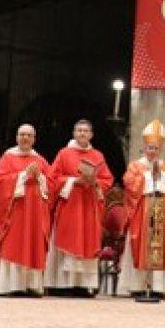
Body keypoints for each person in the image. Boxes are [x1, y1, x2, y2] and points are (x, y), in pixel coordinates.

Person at [47, 119, 115, 297]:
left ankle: (84, 286)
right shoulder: (64, 153)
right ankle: (63, 285)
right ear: (74, 133)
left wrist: (95, 182)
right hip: (70, 204)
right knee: (69, 239)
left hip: (89, 205)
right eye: (79, 130)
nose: (82, 134)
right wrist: (72, 181)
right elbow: (52, 178)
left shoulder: (97, 156)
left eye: (86, 131)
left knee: (87, 241)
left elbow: (107, 179)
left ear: (91, 135)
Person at [118, 120, 165, 298]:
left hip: (161, 211)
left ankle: (158, 287)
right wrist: (147, 176)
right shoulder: (136, 166)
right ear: (144, 148)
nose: (152, 151)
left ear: (160, 149)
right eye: (149, 147)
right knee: (140, 245)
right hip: (142, 211)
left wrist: (161, 176)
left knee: (159, 246)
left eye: (155, 148)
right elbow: (129, 184)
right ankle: (137, 286)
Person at [0, 124, 53, 296]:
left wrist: (40, 177)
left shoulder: (40, 160)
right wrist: (23, 175)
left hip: (35, 213)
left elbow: (52, 185)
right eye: (22, 134)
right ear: (17, 137)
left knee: (33, 246)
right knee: (14, 245)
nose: (25, 138)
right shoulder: (7, 158)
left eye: (29, 135)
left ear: (34, 139)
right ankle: (10, 286)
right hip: (15, 213)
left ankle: (31, 286)